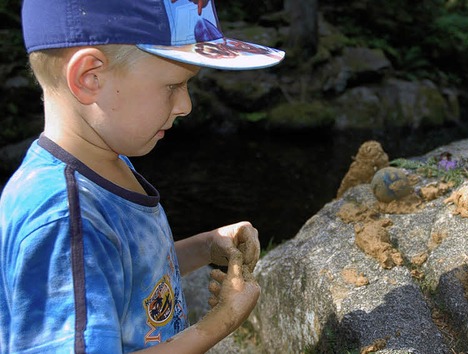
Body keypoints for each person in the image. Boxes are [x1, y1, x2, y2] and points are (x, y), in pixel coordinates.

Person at [0, 0, 284, 353]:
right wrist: (220, 322)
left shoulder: (107, 164)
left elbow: (128, 280)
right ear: (91, 77)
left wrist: (205, 246)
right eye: (173, 86)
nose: (186, 106)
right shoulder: (65, 220)